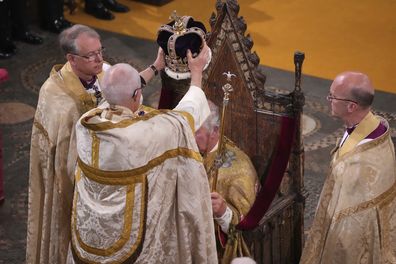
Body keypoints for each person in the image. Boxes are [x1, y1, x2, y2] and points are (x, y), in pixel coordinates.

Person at [26, 24, 164, 263]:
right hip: (71, 183)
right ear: (71, 58)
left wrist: (156, 66)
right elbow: (57, 157)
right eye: (91, 55)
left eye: (100, 51)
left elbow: (127, 89)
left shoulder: (104, 72)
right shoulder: (55, 96)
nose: (99, 59)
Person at [67, 45, 217, 263]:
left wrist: (156, 67)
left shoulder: (87, 122)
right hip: (127, 247)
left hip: (89, 236)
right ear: (137, 95)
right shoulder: (142, 136)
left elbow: (117, 92)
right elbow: (184, 119)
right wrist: (196, 73)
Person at [300, 72, 396, 263]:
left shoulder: (359, 163)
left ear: (352, 106)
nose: (328, 100)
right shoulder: (370, 125)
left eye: (333, 96)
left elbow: (349, 227)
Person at [195, 101, 258, 263]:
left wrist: (223, 211)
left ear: (215, 131)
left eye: (196, 131)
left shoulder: (238, 170)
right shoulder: (190, 149)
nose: (189, 136)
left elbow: (244, 224)